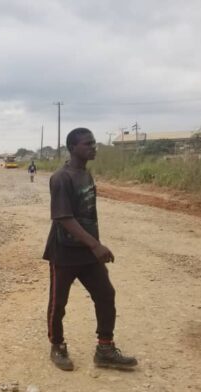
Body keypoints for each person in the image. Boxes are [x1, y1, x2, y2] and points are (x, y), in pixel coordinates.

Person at [43, 127, 137, 371]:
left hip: (86, 252)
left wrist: (93, 245)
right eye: (88, 144)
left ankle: (105, 349)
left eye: (93, 143)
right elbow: (63, 217)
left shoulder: (86, 174)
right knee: (58, 303)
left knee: (106, 295)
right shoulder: (61, 178)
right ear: (73, 148)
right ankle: (58, 346)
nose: (93, 147)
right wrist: (96, 244)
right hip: (64, 252)